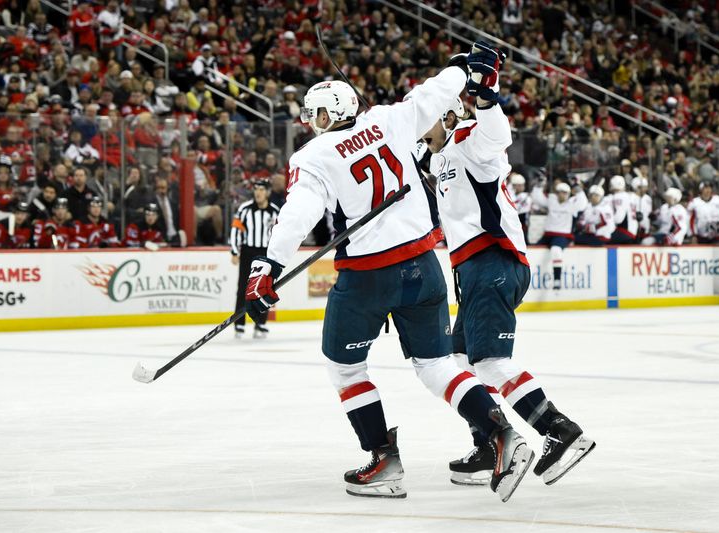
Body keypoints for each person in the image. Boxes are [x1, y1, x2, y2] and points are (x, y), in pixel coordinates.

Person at [243, 57, 533, 502]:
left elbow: (298, 213)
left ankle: (383, 460)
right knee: (436, 366)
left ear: (330, 114)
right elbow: (435, 91)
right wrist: (464, 69)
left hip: (367, 277)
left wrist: (269, 266)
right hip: (424, 267)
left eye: (315, 113)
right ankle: (501, 434)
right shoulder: (389, 119)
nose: (310, 122)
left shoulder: (313, 156)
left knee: (346, 368)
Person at [420, 48, 595, 488]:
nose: (417, 125)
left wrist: (485, 92)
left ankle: (560, 431)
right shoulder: (440, 158)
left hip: (492, 262)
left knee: (492, 363)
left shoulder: (471, 145)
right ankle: (486, 444)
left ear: (446, 118)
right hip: (475, 269)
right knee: (458, 360)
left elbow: (496, 135)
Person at [230, 179, 280, 339]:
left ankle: (260, 322)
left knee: (264, 288)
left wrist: (277, 254)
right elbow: (236, 230)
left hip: (266, 252)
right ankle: (239, 323)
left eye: (261, 189)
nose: (258, 192)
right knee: (243, 288)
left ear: (268, 192)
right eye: (256, 189)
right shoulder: (244, 209)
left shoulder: (274, 211)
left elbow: (279, 234)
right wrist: (234, 251)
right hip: (248, 252)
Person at [531, 181, 587, 290]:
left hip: (563, 236)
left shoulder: (572, 205)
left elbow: (583, 202)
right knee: (532, 250)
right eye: (560, 192)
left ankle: (557, 280)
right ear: (557, 193)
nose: (562, 195)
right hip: (548, 235)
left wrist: (577, 187)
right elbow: (537, 199)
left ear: (568, 194)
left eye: (565, 193)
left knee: (556, 250)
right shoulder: (552, 201)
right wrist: (539, 184)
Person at [607, 175, 638, 244]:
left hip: (625, 232)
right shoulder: (631, 196)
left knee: (602, 237)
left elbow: (618, 219)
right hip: (632, 231)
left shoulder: (619, 196)